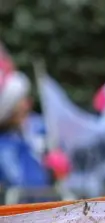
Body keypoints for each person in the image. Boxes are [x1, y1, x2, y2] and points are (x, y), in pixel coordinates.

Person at [0, 43, 69, 204]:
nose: (27, 104)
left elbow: (58, 154)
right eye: (20, 101)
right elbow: (18, 183)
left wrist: (58, 165)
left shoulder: (38, 127)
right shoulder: (4, 145)